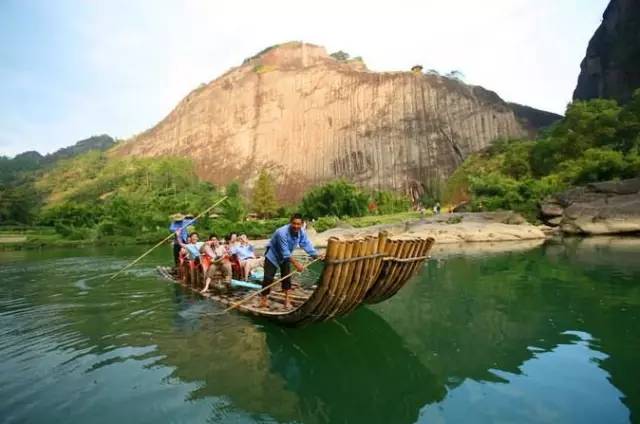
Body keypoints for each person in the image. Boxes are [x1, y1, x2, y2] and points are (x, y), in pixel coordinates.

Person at [259, 213, 320, 309]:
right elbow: (285, 253)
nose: (296, 226)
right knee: (268, 278)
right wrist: (297, 264)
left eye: (298, 224)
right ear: (290, 223)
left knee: (287, 278)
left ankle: (287, 300)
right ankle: (263, 300)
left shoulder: (301, 232)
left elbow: (306, 244)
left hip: (285, 257)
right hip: (273, 255)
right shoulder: (281, 233)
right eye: (294, 223)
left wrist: (315, 255)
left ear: (302, 224)